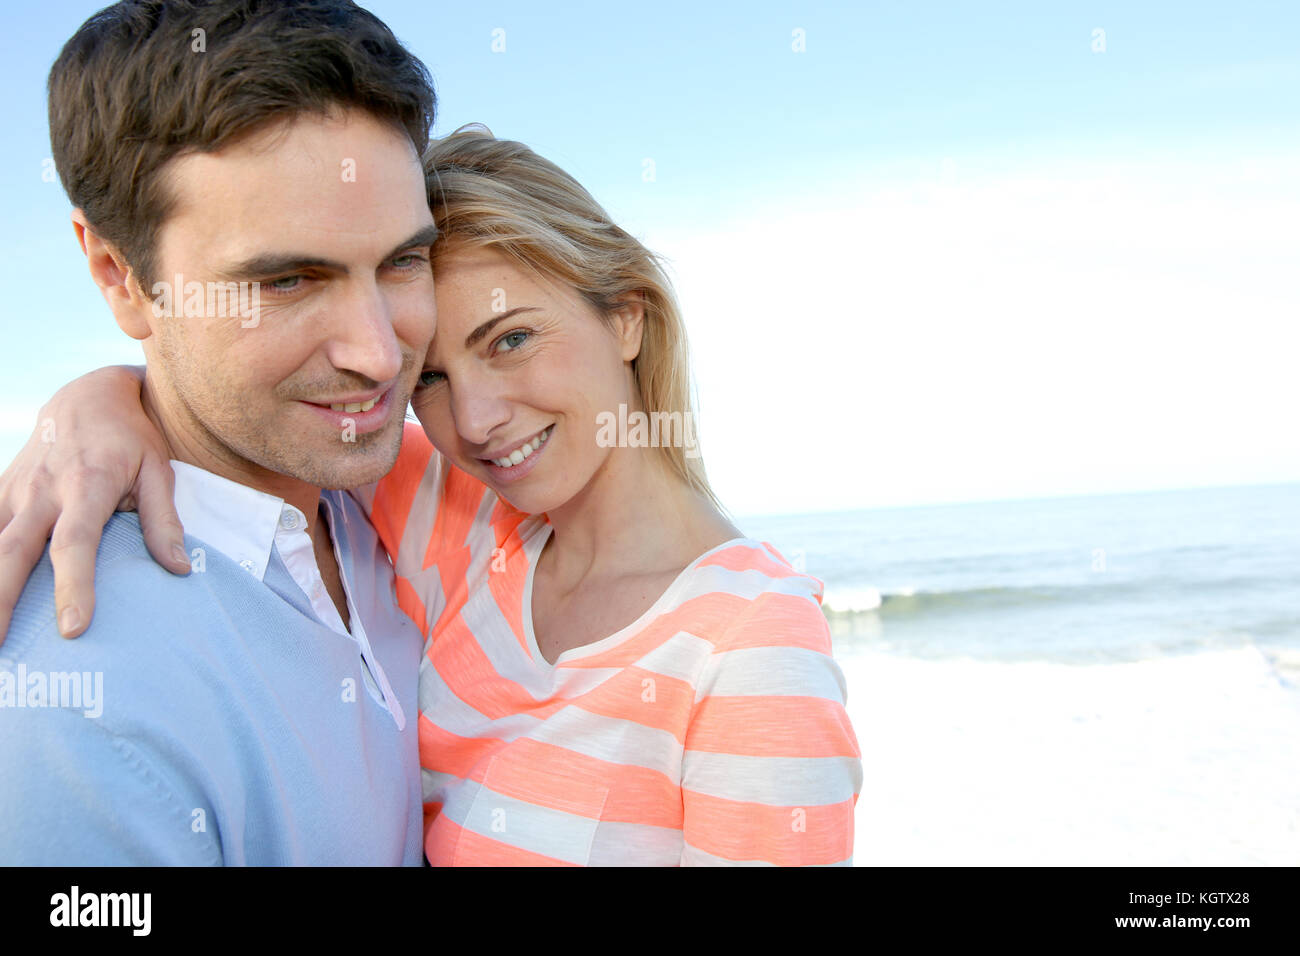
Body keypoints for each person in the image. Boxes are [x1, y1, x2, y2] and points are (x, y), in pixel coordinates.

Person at [3, 124, 864, 864]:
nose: (480, 420)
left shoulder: (754, 647)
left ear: (627, 316)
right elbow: (243, 421)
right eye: (434, 378)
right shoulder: (446, 505)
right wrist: (100, 402)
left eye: (514, 339)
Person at [0, 0, 439, 863]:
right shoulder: (78, 716)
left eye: (403, 260)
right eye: (286, 282)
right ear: (118, 277)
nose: (381, 356)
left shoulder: (405, 499)